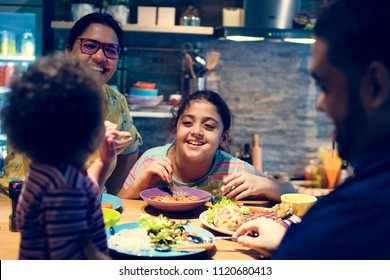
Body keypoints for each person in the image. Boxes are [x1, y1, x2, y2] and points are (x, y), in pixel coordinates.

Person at [234, 0, 390, 259]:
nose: (320, 105)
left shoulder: (362, 210)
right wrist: (291, 239)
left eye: (325, 86)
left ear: (375, 86)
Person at [0, 53, 129, 259]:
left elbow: (88, 187)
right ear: (85, 131)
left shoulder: (51, 172)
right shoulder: (61, 190)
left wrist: (104, 161)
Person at [0, 12, 142, 195]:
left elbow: (130, 148)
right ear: (68, 51)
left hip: (86, 205)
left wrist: (110, 194)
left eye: (111, 50)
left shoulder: (115, 100)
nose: (100, 57)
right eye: (90, 46)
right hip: (20, 202)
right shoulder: (41, 92)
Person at [118, 90, 295, 200]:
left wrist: (264, 184)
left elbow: (292, 193)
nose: (196, 131)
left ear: (223, 138)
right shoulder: (152, 160)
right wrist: (140, 184)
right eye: (187, 123)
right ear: (175, 130)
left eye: (209, 126)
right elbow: (117, 205)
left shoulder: (232, 170)